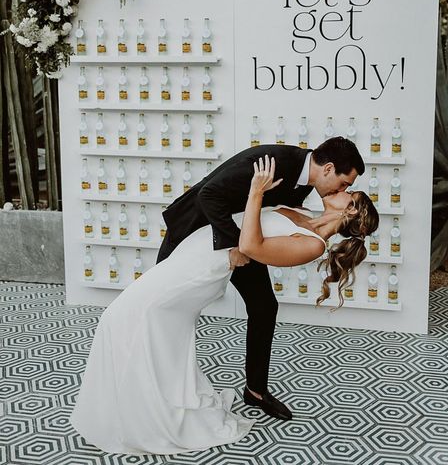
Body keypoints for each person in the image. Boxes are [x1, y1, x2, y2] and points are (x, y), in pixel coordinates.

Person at [70, 155, 379, 456]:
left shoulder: (312, 244)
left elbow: (249, 246)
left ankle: (147, 410)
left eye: (349, 192)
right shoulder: (304, 210)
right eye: (346, 185)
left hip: (206, 264)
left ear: (350, 211)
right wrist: (258, 193)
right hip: (200, 244)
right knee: (158, 323)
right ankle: (150, 399)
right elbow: (234, 207)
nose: (342, 190)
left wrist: (256, 192)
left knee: (124, 315)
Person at [157, 137, 364, 420]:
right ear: (328, 169)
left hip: (240, 240)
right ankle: (161, 386)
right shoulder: (275, 162)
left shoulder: (307, 180)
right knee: (164, 308)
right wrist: (233, 248)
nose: (343, 190)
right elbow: (209, 195)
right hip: (194, 232)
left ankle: (255, 391)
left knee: (264, 306)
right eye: (344, 184)